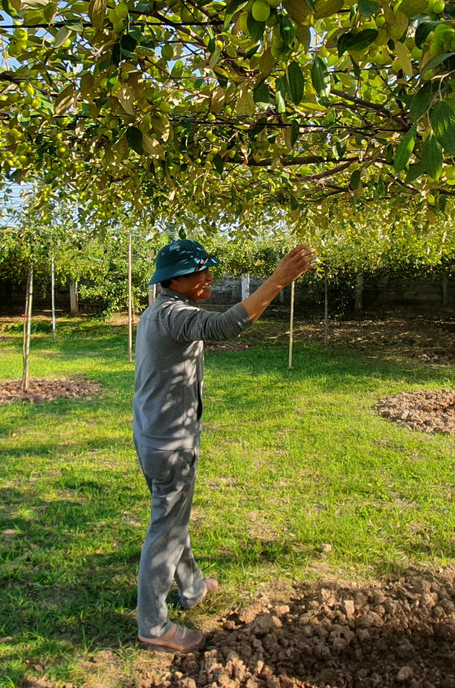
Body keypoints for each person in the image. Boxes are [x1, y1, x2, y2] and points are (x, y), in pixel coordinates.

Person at [132, 239, 317, 653]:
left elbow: (230, 322)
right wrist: (278, 280)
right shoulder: (174, 315)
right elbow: (226, 326)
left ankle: (193, 587)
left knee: (173, 518)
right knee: (166, 530)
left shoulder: (160, 310)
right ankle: (154, 626)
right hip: (169, 442)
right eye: (200, 272)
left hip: (154, 435)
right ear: (176, 280)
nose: (209, 277)